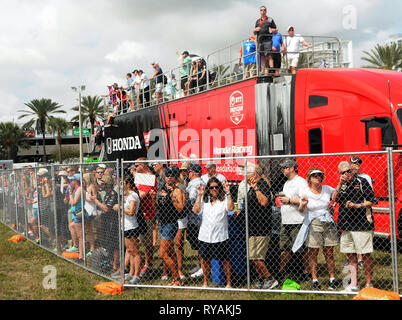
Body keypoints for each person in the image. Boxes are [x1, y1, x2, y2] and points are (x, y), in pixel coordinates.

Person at [332, 161, 376, 292]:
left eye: (348, 171)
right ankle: (354, 284)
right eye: (343, 172)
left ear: (352, 171)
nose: (347, 174)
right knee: (350, 256)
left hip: (362, 224)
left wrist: (358, 206)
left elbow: (372, 201)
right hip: (346, 226)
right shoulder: (343, 185)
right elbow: (334, 199)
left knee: (366, 255)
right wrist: (340, 183)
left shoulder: (361, 181)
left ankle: (369, 283)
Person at [294, 168, 341, 290]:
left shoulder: (327, 189)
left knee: (329, 252)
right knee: (313, 252)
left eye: (319, 175)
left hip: (327, 222)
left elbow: (335, 197)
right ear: (309, 178)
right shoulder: (305, 191)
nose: (317, 177)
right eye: (314, 175)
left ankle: (332, 279)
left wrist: (340, 184)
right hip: (313, 222)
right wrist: (303, 204)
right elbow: (301, 209)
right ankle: (315, 280)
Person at [236, 163, 278, 289]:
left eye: (247, 174)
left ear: (254, 174)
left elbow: (264, 202)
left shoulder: (262, 185)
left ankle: (270, 279)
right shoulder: (250, 188)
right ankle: (261, 279)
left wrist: (256, 188)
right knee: (252, 257)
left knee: (256, 257)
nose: (245, 176)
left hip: (261, 227)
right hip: (252, 227)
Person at [193, 177, 234, 288]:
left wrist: (228, 193)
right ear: (208, 189)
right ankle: (205, 282)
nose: (214, 189)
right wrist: (199, 195)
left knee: (225, 260)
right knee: (205, 260)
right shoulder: (204, 200)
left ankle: (228, 283)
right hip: (205, 235)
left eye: (216, 187)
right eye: (211, 187)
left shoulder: (224, 199)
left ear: (220, 188)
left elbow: (230, 209)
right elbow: (196, 210)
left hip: (220, 236)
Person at [277, 159, 310, 283]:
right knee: (284, 248)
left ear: (292, 168)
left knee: (302, 249)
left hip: (298, 220)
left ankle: (306, 273)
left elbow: (304, 200)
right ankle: (282, 272)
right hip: (285, 221)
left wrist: (289, 200)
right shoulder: (286, 183)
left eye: (284, 167)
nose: (283, 170)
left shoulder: (300, 182)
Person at [156, 166, 185, 286]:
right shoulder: (163, 188)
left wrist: (173, 199)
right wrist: (154, 198)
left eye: (171, 176)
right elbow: (158, 206)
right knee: (171, 252)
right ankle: (176, 279)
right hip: (162, 222)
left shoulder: (177, 190)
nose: (168, 178)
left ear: (176, 177)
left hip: (170, 223)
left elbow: (181, 209)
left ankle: (177, 278)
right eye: (167, 175)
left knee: (162, 254)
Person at [133, 158, 158, 278]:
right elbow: (135, 190)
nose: (134, 167)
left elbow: (141, 195)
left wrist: (130, 198)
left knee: (147, 242)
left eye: (136, 165)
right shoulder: (140, 175)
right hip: (138, 212)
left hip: (147, 213)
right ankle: (138, 263)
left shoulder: (149, 176)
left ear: (143, 166)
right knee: (136, 240)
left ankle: (147, 265)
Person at [350, 156, 374, 269]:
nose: (355, 166)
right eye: (353, 163)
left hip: (363, 208)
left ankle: (360, 259)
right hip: (351, 210)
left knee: (362, 233)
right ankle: (352, 258)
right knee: (352, 234)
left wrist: (361, 205)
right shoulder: (349, 177)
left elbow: (369, 195)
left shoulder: (366, 177)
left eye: (358, 164)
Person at [118, 177, 143, 285]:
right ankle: (131, 273)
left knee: (135, 252)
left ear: (128, 184)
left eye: (122, 183)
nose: (120, 185)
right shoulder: (125, 195)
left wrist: (119, 208)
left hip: (132, 226)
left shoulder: (133, 195)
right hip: (125, 226)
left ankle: (137, 275)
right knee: (130, 250)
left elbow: (132, 211)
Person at [95, 175, 120, 275]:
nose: (101, 186)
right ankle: (110, 262)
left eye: (103, 184)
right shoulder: (107, 194)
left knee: (114, 244)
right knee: (107, 243)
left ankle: (115, 265)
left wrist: (95, 201)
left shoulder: (114, 194)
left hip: (112, 222)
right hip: (106, 221)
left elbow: (106, 208)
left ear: (108, 184)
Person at [186, 164, 206, 279]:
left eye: (189, 172)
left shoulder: (195, 184)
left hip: (196, 218)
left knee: (199, 244)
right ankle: (200, 265)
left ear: (192, 173)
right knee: (198, 244)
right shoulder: (202, 181)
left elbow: (192, 199)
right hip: (199, 218)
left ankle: (203, 268)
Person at [66, 173, 87, 261]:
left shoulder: (79, 189)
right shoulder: (76, 189)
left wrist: (70, 193)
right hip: (76, 212)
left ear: (76, 181)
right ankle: (76, 246)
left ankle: (81, 256)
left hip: (79, 212)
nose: (70, 182)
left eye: (72, 180)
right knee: (71, 226)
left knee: (80, 235)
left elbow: (74, 202)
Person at [253, 5, 277, 75]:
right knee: (262, 56)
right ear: (260, 12)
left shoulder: (270, 19)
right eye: (261, 10)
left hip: (268, 40)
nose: (263, 11)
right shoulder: (257, 21)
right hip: (260, 41)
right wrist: (255, 30)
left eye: (264, 10)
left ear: (266, 11)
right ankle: (263, 72)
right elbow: (254, 32)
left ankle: (271, 71)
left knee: (269, 56)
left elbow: (276, 29)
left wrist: (272, 30)